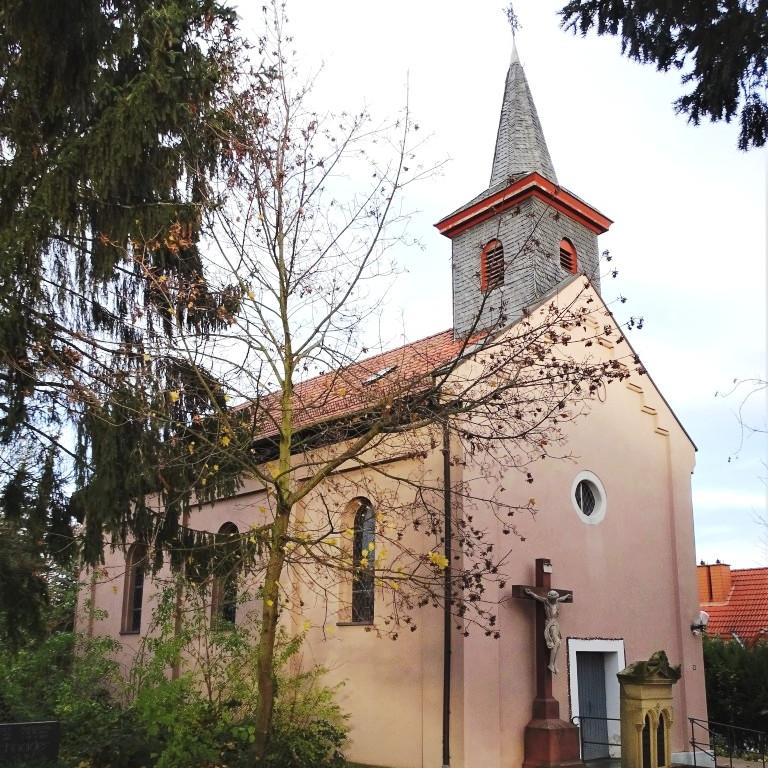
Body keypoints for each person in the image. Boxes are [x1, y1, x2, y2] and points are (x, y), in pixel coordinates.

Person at [524, 588, 571, 674]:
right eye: (552, 598)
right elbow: (537, 597)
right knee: (556, 642)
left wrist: (567, 596)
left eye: (555, 598)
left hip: (555, 623)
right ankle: (550, 664)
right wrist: (530, 593)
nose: (554, 599)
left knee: (559, 643)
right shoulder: (546, 601)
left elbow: (563, 598)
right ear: (549, 598)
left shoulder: (557, 601)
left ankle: (554, 664)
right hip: (550, 623)